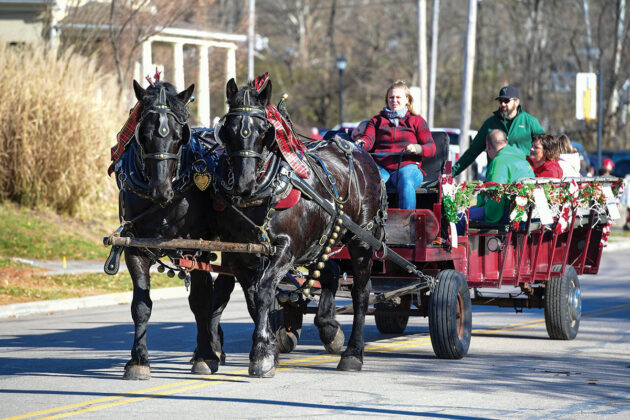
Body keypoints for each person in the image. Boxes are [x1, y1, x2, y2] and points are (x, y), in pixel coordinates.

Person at [356, 80, 435, 209]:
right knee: (370, 182)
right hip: (382, 168)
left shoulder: (417, 120)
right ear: (387, 100)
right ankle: (370, 222)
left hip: (408, 168)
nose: (394, 100)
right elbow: (368, 139)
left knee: (406, 180)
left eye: (398, 97)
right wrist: (362, 143)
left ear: (407, 100)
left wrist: (416, 148)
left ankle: (407, 222)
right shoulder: (376, 121)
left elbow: (431, 148)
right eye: (391, 97)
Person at [452, 85, 544, 177]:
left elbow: (546, 148)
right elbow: (472, 152)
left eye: (506, 101)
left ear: (517, 102)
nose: (503, 104)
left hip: (522, 178)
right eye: (501, 101)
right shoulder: (489, 123)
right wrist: (450, 173)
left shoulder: (530, 122)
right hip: (497, 177)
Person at [457, 130, 534, 232]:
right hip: (526, 214)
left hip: (507, 214)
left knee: (459, 218)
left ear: (488, 146)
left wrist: (490, 220)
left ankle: (456, 248)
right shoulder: (523, 161)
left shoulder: (499, 162)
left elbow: (495, 198)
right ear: (506, 142)